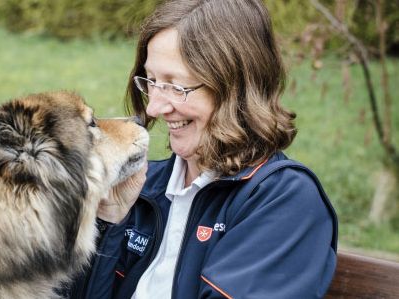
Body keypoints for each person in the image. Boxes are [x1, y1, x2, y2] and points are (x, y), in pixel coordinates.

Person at [69, 0, 338, 298]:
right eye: (152, 81)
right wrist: (109, 218)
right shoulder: (143, 189)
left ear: (235, 88)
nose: (154, 107)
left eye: (176, 86)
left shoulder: (283, 202)